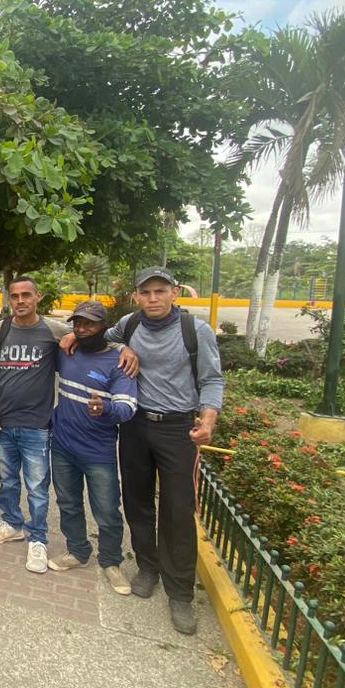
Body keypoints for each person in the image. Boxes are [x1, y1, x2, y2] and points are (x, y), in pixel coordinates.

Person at [62, 266, 224, 635]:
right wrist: (76, 338)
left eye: (160, 291)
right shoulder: (129, 324)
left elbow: (212, 378)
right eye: (146, 292)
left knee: (177, 510)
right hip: (135, 425)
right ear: (136, 296)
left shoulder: (194, 330)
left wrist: (208, 418)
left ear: (174, 293)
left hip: (177, 428)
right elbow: (99, 338)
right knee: (137, 502)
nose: (153, 298)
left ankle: (180, 593)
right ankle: (148, 567)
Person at [49, 300, 138, 595]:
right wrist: (68, 336)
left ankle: (111, 562)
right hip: (62, 445)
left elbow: (127, 407)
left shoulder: (119, 361)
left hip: (98, 451)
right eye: (77, 323)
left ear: (104, 327)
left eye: (89, 323)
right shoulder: (68, 352)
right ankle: (77, 551)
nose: (82, 329)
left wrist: (107, 408)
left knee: (107, 510)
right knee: (68, 503)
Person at [0, 276, 59, 574]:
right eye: (15, 296)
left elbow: (94, 338)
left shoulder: (53, 330)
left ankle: (38, 538)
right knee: (8, 479)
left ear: (38, 297)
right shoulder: (1, 330)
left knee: (37, 486)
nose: (21, 300)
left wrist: (123, 348)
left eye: (27, 294)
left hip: (37, 424)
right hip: (5, 421)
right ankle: (12, 523)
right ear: (9, 299)